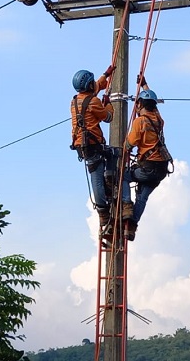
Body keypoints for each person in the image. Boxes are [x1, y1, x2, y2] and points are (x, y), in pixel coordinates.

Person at [120, 76, 172, 240]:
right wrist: (144, 85)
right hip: (160, 170)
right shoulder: (158, 120)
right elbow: (152, 101)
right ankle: (131, 226)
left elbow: (128, 144)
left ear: (140, 104)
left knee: (123, 176)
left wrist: (121, 152)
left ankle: (127, 207)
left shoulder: (140, 122)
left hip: (148, 168)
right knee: (142, 197)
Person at [70, 65, 116, 233]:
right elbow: (108, 118)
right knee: (100, 169)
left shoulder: (76, 100)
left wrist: (107, 74)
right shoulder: (93, 101)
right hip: (92, 143)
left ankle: (108, 185)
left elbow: (96, 87)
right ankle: (103, 210)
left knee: (102, 163)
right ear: (88, 85)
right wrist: (108, 104)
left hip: (81, 144)